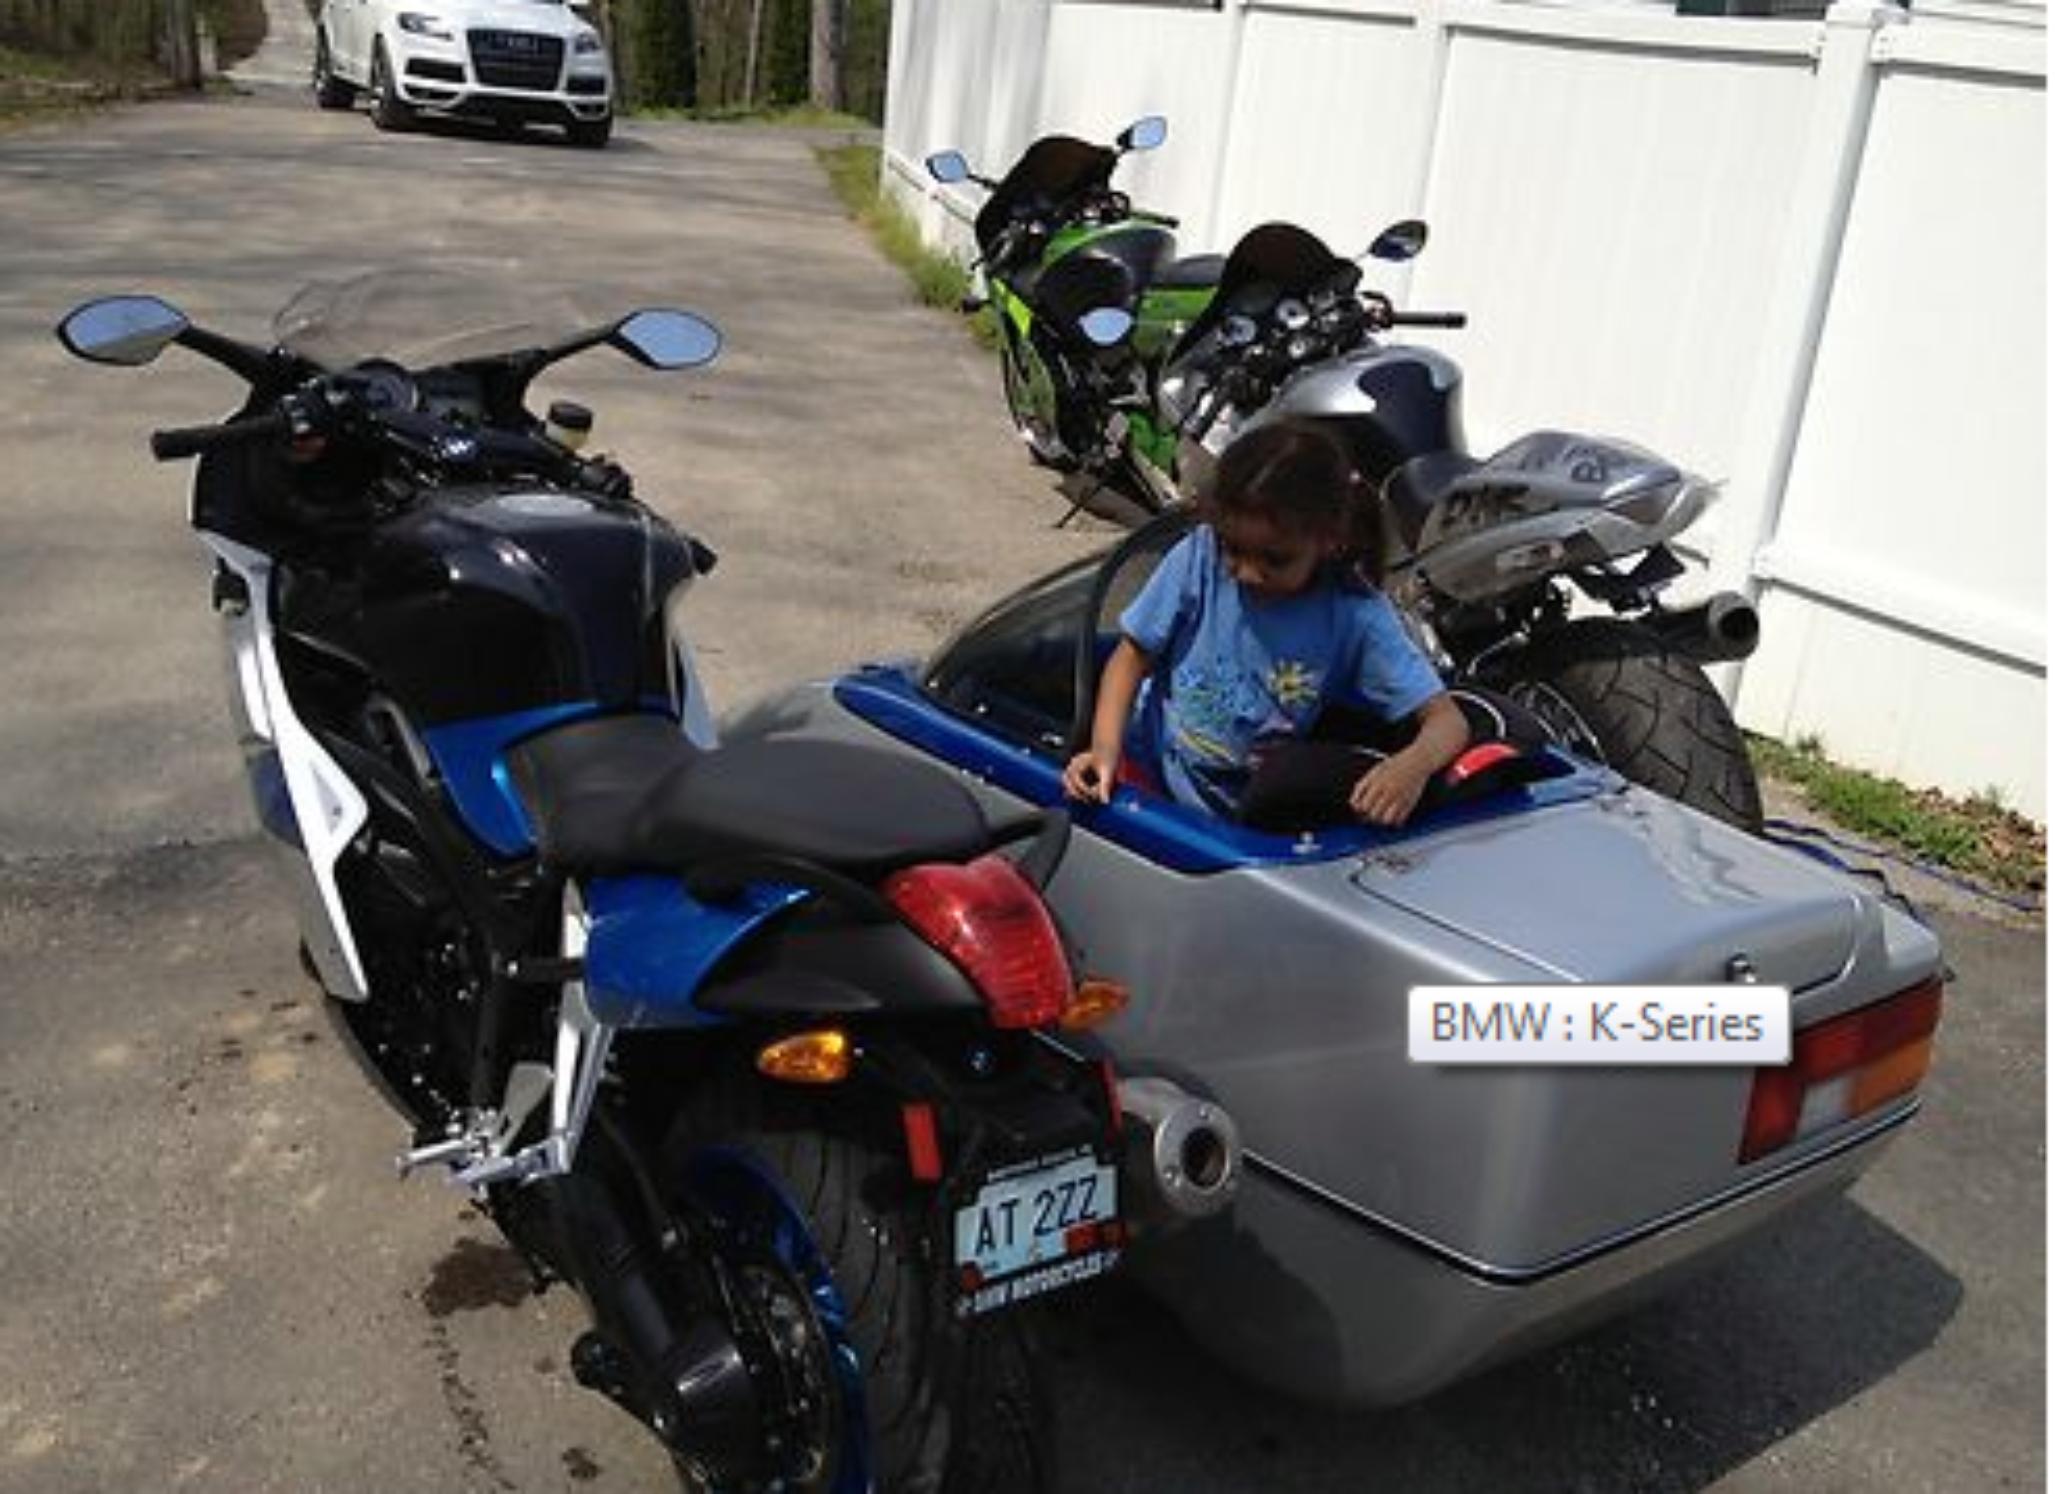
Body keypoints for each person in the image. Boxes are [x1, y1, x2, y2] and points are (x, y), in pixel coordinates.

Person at [1062, 418, 1468, 825]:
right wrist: (1103, 750)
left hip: (1239, 813)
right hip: (1146, 771)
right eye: (1233, 548)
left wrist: (1410, 768)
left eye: (1274, 559)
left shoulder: (1354, 613)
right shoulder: (1201, 558)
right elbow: (1130, 657)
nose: (1246, 573)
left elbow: (1448, 722)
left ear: (1328, 540)